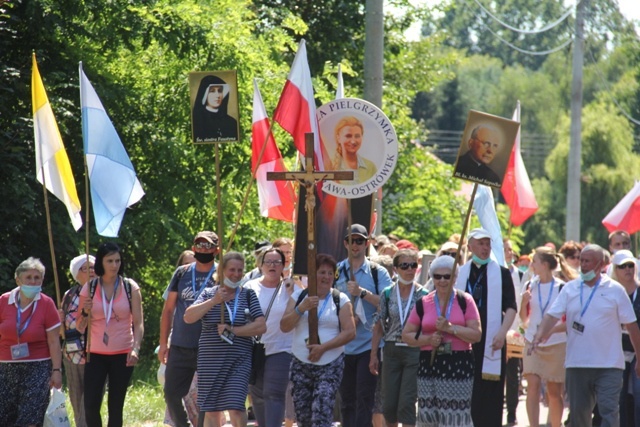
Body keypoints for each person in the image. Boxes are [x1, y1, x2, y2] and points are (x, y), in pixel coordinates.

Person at [533, 244, 640, 427]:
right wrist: (540, 333)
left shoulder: (615, 290)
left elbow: (631, 326)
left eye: (587, 261)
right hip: (577, 365)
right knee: (579, 416)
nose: (582, 265)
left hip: (609, 365)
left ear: (599, 265)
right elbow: (552, 315)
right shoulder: (570, 289)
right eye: (581, 260)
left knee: (609, 413)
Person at [184, 251, 266, 427]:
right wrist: (214, 300)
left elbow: (261, 326)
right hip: (210, 361)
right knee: (211, 410)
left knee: (236, 407)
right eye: (231, 270)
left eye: (240, 270)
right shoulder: (208, 293)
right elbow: (188, 317)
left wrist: (234, 330)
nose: (236, 274)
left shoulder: (248, 295)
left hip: (239, 360)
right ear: (221, 271)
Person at [402, 255, 482, 427]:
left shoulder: (465, 301)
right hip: (429, 364)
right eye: (437, 276)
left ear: (454, 278)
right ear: (432, 278)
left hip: (458, 365)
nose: (442, 281)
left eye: (447, 276)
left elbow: (476, 335)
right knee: (428, 415)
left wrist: (450, 328)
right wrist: (428, 339)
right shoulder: (424, 302)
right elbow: (407, 334)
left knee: (455, 415)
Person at [280, 253, 356, 427]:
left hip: (330, 365)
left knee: (321, 413)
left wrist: (324, 348)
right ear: (312, 274)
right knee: (304, 417)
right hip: (301, 363)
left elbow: (350, 332)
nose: (327, 277)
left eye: (331, 273)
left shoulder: (340, 299)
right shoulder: (298, 297)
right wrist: (301, 309)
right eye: (322, 272)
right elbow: (284, 326)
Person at [453, 228, 517, 427]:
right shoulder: (460, 272)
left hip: (492, 340)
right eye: (480, 243)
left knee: (490, 396)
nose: (485, 248)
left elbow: (511, 307)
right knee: (466, 392)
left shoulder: (501, 273)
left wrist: (502, 333)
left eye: (488, 244)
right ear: (470, 246)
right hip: (465, 340)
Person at [78, 242, 144, 427]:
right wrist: (84, 312)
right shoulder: (89, 288)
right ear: (101, 262)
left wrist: (136, 348)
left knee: (115, 406)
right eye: (110, 261)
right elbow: (79, 326)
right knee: (90, 404)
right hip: (95, 354)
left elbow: (138, 323)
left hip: (122, 353)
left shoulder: (130, 287)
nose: (114, 265)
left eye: (117, 260)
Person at [334, 224, 393, 427]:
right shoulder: (336, 272)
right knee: (347, 400)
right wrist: (346, 317)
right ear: (345, 243)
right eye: (352, 240)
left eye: (360, 241)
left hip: (369, 345)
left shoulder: (378, 273)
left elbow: (389, 302)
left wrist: (362, 293)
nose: (356, 245)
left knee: (364, 399)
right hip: (343, 345)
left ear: (367, 244)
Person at [159, 231, 220, 427]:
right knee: (170, 393)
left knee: (207, 400)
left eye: (208, 246)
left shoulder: (223, 273)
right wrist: (163, 344)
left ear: (216, 250)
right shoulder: (182, 273)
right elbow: (168, 310)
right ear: (193, 249)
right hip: (180, 344)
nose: (203, 250)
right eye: (199, 246)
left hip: (210, 347)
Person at [0, 257, 63, 427]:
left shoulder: (46, 304)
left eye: (37, 278)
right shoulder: (4, 301)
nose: (33, 281)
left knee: (30, 418)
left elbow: (54, 341)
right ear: (18, 279)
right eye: (28, 277)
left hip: (38, 367)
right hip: (6, 367)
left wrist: (56, 370)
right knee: (5, 417)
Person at [369, 249, 428, 427]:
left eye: (413, 265)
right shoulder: (387, 293)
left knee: (407, 402)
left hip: (414, 350)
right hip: (391, 349)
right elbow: (379, 325)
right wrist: (373, 354)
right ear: (395, 269)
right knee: (389, 404)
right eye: (405, 265)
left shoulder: (423, 295)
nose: (410, 270)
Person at [245, 247, 298, 427]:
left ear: (284, 265)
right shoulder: (249, 287)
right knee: (257, 395)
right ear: (261, 265)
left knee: (274, 394)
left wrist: (293, 293)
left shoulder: (291, 287)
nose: (272, 265)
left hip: (282, 348)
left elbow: (301, 312)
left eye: (277, 262)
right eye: (268, 262)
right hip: (255, 349)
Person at [519, 247, 571, 427]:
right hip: (532, 342)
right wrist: (524, 303)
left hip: (556, 344)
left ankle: (555, 424)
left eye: (534, 262)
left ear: (545, 264)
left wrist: (551, 332)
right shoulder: (529, 286)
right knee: (532, 385)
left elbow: (569, 322)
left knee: (554, 392)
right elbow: (524, 320)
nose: (531, 265)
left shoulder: (562, 288)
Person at [60, 254, 96, 427]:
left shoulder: (101, 291)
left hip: (95, 353)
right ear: (76, 273)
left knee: (89, 399)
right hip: (71, 354)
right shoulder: (69, 295)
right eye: (86, 268)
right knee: (76, 397)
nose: (92, 270)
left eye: (94, 267)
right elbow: (61, 329)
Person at [610, 250, 640, 427]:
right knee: (618, 401)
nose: (628, 269)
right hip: (616, 353)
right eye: (623, 266)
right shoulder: (609, 294)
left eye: (631, 265)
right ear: (615, 269)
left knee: (638, 397)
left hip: (638, 351)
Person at [503, 238, 524, 426]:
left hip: (515, 332)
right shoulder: (494, 274)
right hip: (496, 331)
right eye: (504, 249)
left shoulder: (520, 275)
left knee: (513, 375)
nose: (508, 253)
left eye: (510, 249)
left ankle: (512, 412)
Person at [192, 75, 238, 143]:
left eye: (220, 91)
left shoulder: (232, 123)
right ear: (205, 94)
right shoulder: (197, 121)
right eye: (212, 91)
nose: (217, 95)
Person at [331, 116, 377, 184]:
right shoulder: (329, 165)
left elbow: (377, 193)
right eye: (348, 136)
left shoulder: (370, 166)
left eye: (357, 136)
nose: (353, 141)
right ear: (338, 138)